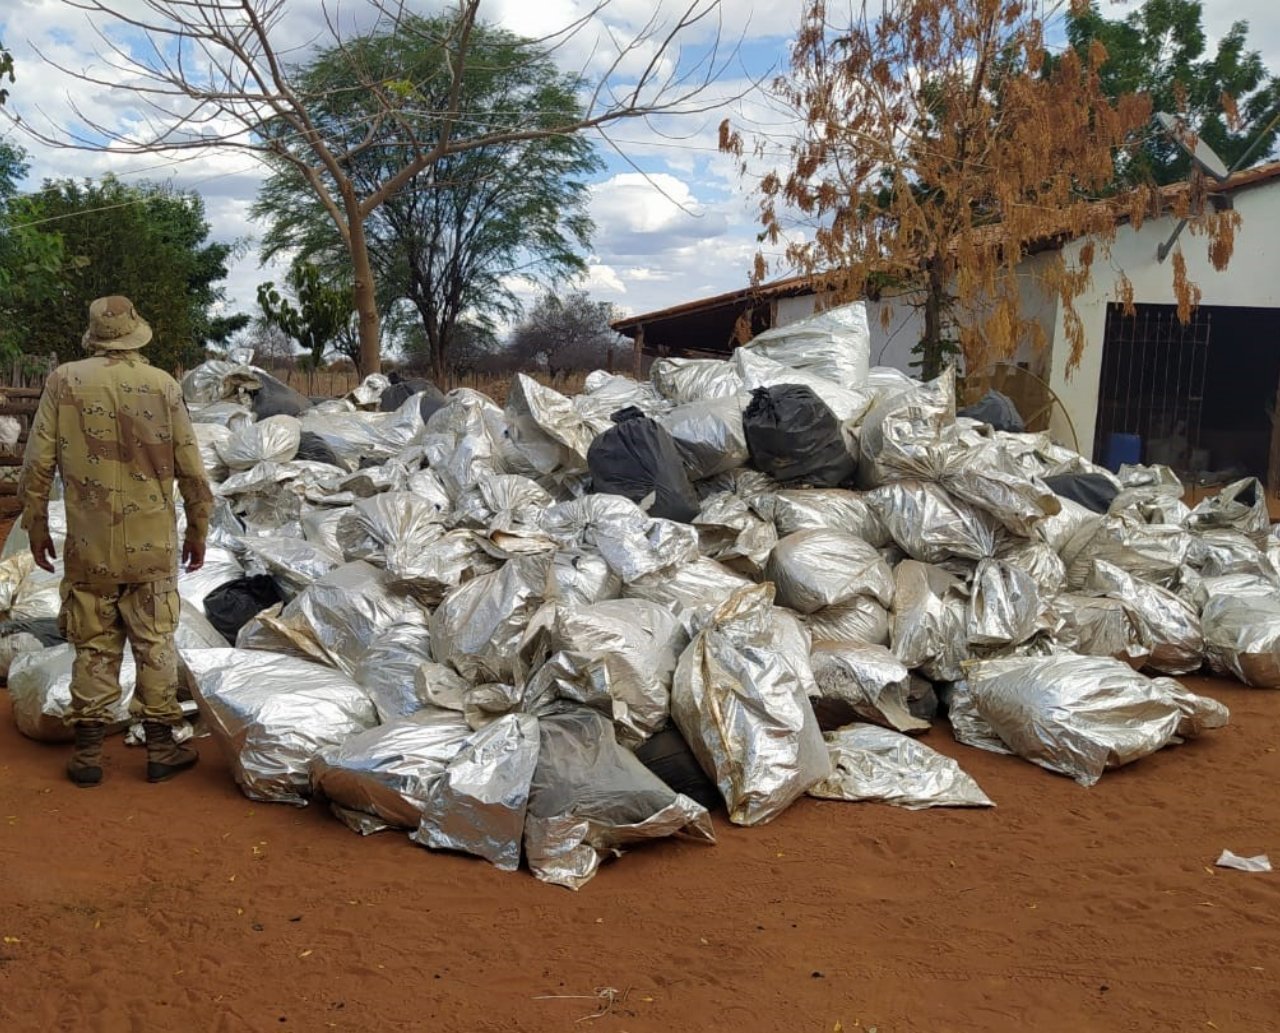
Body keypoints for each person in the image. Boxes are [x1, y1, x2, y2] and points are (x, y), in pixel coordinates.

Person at [18, 295, 213, 787]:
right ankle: (161, 748)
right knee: (155, 643)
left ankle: (87, 755)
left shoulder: (65, 381)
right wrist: (198, 530)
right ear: (133, 333)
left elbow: (37, 463)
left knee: (93, 643)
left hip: (90, 544)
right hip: (152, 543)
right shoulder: (163, 385)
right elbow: (191, 468)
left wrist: (37, 525)